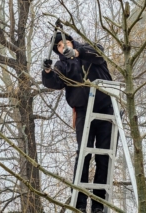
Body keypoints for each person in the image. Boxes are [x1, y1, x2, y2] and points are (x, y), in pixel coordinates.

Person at [42, 32, 113, 213]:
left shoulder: (89, 51)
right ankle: (80, 204)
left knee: (104, 157)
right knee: (83, 155)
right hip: (83, 111)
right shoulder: (63, 65)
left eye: (64, 43)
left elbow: (98, 52)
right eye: (58, 46)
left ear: (72, 42)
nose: (62, 47)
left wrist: (78, 53)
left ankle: (98, 205)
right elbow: (54, 82)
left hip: (105, 109)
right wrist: (47, 72)